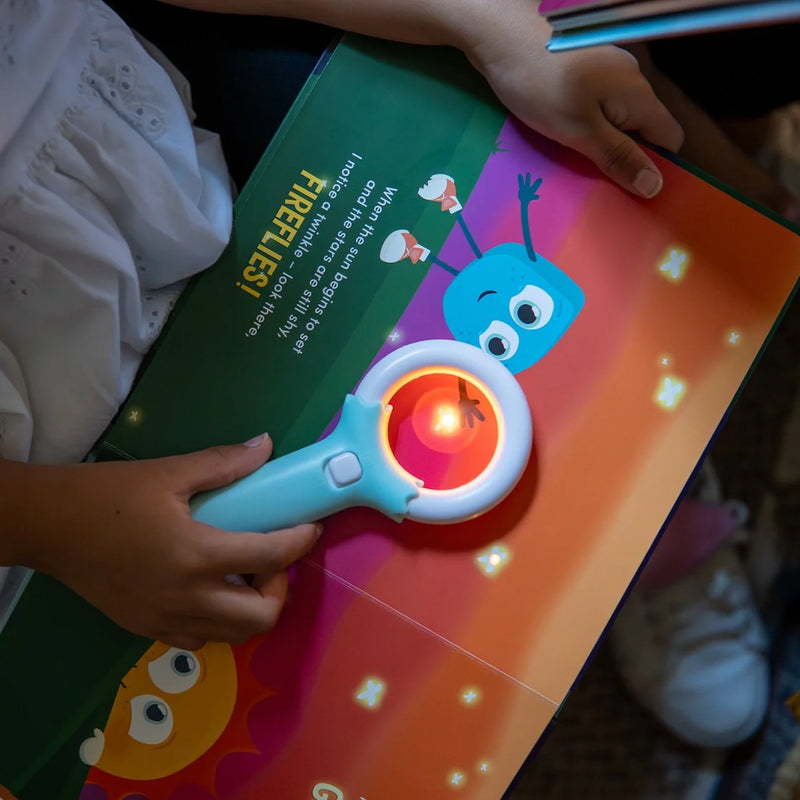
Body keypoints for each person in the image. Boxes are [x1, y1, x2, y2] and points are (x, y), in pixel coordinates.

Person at [0, 0, 788, 653]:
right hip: (40, 464)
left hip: (122, 99)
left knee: (564, 170)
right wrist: (47, 525)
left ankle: (643, 495)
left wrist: (488, 26)